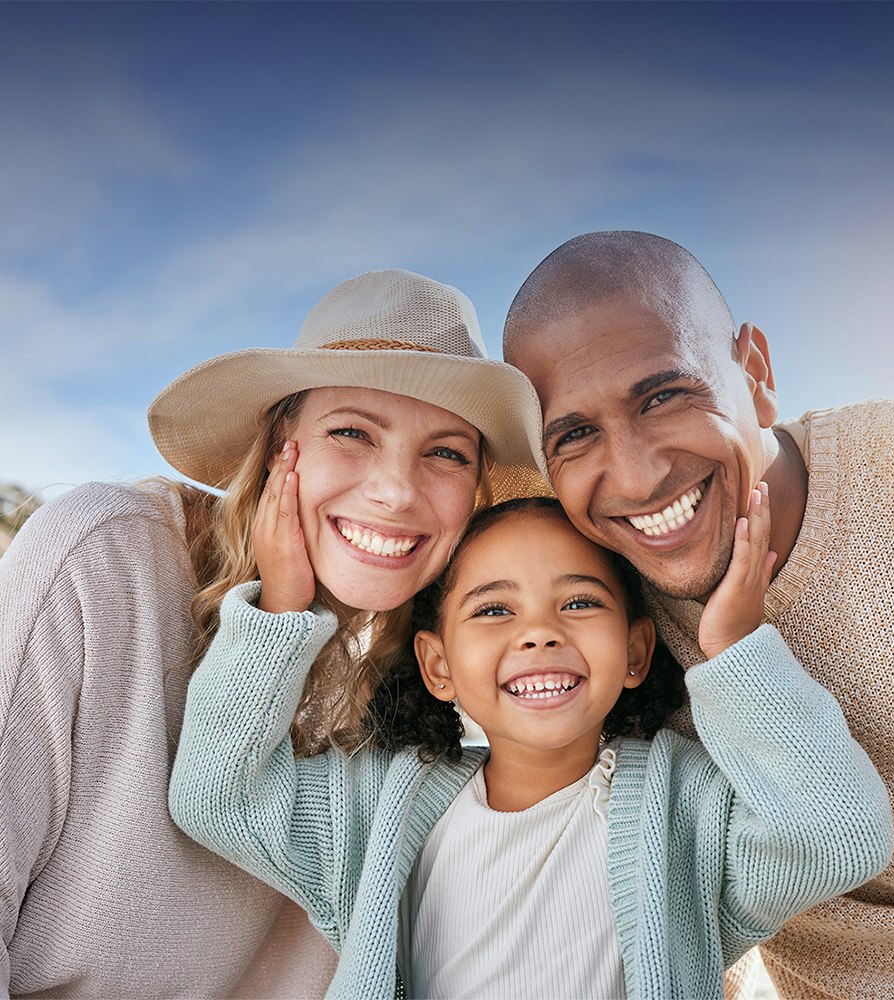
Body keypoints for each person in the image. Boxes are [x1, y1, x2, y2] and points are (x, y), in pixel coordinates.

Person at [0, 268, 545, 998]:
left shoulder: (430, 682)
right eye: (352, 432)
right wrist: (278, 616)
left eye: (446, 452)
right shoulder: (105, 559)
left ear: (475, 492)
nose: (396, 491)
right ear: (283, 440)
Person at [502, 230, 894, 999]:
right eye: (575, 435)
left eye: (664, 395)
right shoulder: (595, 626)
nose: (636, 477)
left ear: (755, 373)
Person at [169, 486, 893, 1000]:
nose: (540, 631)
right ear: (439, 666)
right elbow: (217, 797)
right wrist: (282, 608)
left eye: (580, 602)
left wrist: (735, 650)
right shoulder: (380, 808)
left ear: (637, 653)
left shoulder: (690, 812)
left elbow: (838, 836)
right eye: (493, 609)